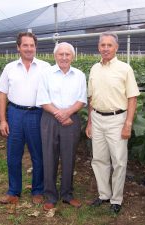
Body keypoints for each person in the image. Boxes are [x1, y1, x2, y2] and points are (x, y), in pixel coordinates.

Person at [85, 32, 140, 214]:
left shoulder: (125, 69)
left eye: (109, 45)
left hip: (118, 120)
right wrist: (90, 122)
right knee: (99, 159)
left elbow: (132, 98)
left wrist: (128, 124)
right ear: (98, 47)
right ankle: (104, 195)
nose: (106, 48)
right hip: (98, 119)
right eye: (103, 45)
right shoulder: (94, 69)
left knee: (119, 161)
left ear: (116, 48)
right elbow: (91, 98)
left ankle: (116, 199)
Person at [0, 32, 50, 205]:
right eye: (25, 45)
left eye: (32, 45)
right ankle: (13, 192)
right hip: (15, 114)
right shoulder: (10, 68)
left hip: (38, 114)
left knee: (38, 155)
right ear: (18, 47)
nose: (29, 48)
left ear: (36, 47)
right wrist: (3, 120)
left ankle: (38, 191)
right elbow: (2, 94)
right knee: (13, 155)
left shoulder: (45, 67)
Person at [36, 42, 87, 211]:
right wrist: (60, 114)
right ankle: (50, 195)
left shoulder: (79, 75)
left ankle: (67, 194)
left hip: (71, 120)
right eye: (61, 54)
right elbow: (43, 99)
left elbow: (82, 99)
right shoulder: (46, 73)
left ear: (73, 56)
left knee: (69, 157)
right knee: (49, 157)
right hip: (50, 118)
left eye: (67, 54)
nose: (64, 57)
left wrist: (68, 113)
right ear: (55, 56)